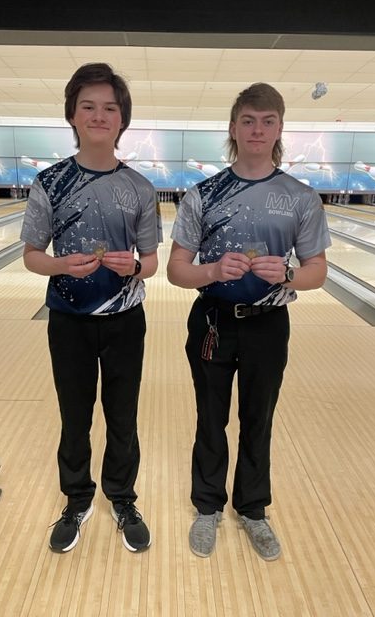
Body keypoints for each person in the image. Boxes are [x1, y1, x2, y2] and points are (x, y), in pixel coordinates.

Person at [167, 82, 331, 561]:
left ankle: (253, 510)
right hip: (213, 321)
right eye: (248, 120)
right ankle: (207, 506)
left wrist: (288, 273)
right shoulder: (204, 195)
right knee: (211, 418)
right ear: (233, 128)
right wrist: (214, 271)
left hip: (268, 325)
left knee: (258, 419)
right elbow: (178, 270)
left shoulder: (301, 198)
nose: (257, 129)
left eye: (268, 121)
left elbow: (317, 272)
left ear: (279, 128)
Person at [20, 62, 161, 554]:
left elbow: (153, 264)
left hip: (126, 321)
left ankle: (122, 499)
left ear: (122, 119)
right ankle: (77, 499)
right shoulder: (49, 182)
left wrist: (134, 267)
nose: (99, 116)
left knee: (122, 416)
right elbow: (31, 257)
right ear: (73, 116)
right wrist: (62, 265)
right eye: (89, 107)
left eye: (110, 108)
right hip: (69, 321)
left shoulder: (141, 187)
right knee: (74, 415)